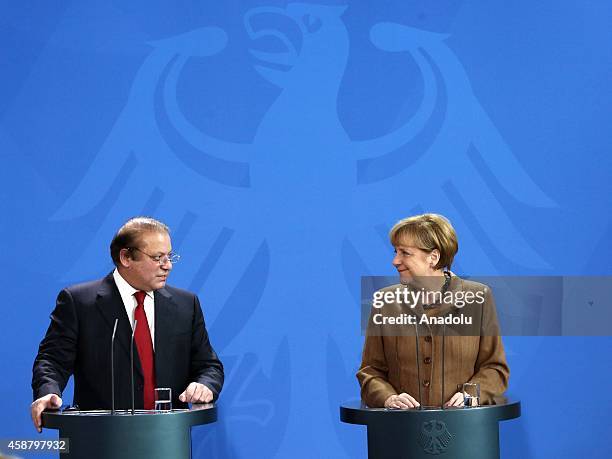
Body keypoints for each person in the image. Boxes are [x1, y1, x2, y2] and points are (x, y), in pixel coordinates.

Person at [31, 217, 223, 431]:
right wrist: (49, 391)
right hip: (100, 437)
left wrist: (204, 385)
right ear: (126, 257)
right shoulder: (80, 302)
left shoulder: (186, 304)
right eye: (157, 257)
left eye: (169, 256)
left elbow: (209, 366)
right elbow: (52, 360)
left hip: (167, 438)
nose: (167, 266)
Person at [357, 213, 509, 409]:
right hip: (399, 428)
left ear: (433, 257)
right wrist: (388, 398)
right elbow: (371, 371)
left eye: (405, 253)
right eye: (395, 252)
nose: (395, 261)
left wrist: (471, 395)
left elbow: (495, 368)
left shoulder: (478, 297)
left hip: (463, 429)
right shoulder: (384, 302)